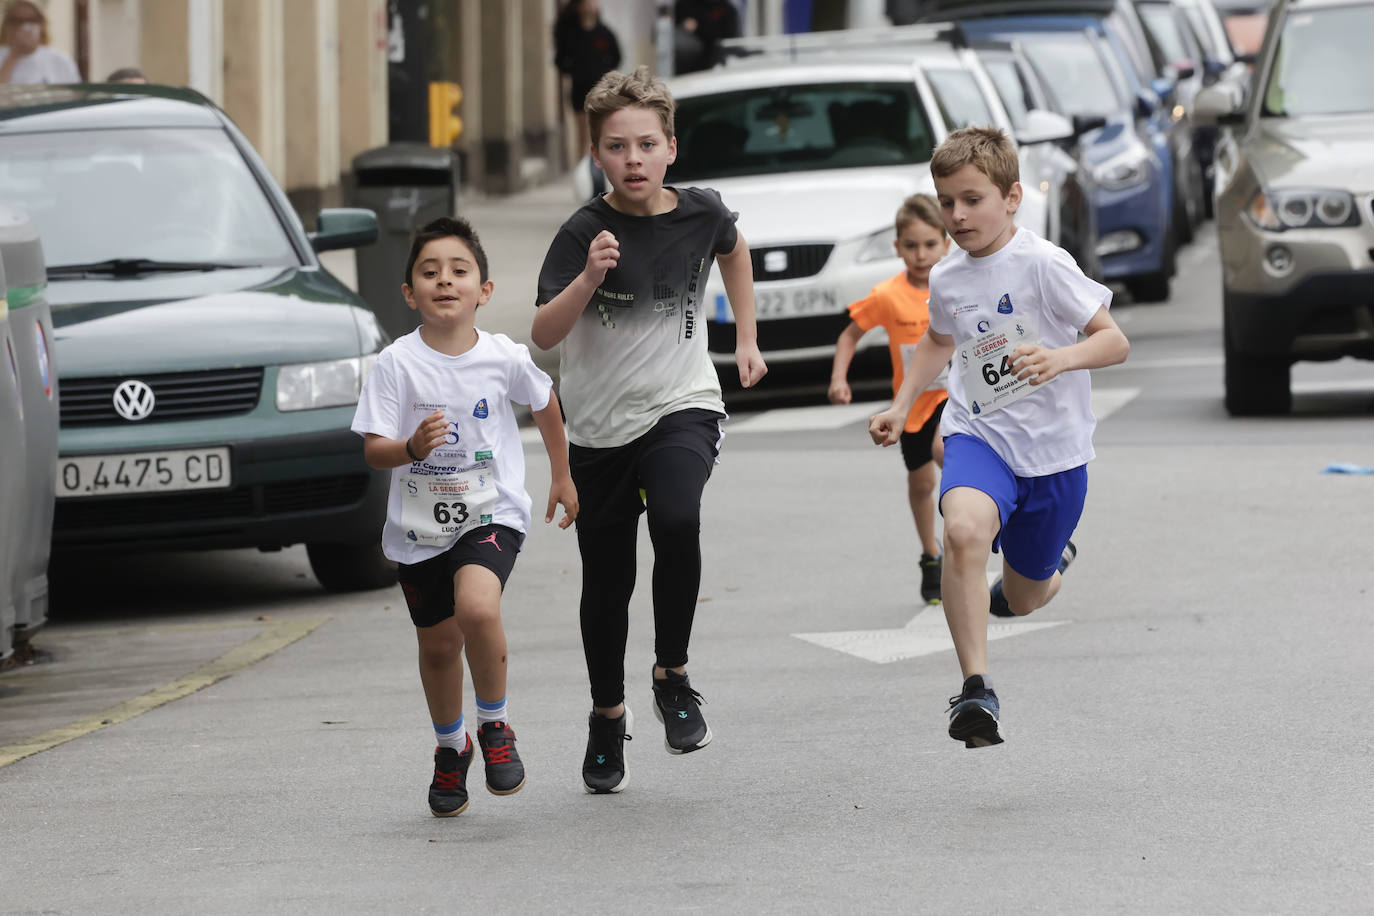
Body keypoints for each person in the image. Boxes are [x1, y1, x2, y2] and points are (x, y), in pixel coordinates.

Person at [532, 66, 766, 794]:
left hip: (682, 402)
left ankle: (673, 673)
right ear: (596, 156)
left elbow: (733, 249)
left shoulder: (702, 212)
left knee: (676, 513)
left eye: (644, 144)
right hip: (599, 431)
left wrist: (746, 337)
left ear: (671, 147)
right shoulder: (581, 233)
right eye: (615, 147)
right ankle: (608, 716)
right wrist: (587, 280)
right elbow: (542, 335)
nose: (632, 159)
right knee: (607, 580)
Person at [868, 127, 1129, 748]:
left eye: (972, 199)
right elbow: (937, 339)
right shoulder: (949, 277)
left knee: (1027, 594)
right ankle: (976, 691)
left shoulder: (1043, 263)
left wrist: (1060, 359)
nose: (957, 215)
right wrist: (903, 403)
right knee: (961, 531)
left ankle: (1047, 563)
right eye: (946, 202)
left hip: (1054, 456)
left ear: (1012, 197)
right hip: (978, 436)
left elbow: (1114, 340)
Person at [352, 216, 579, 817]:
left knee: (477, 608)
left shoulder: (502, 356)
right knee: (438, 647)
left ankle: (495, 727)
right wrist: (411, 450)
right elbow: (374, 448)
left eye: (459, 271)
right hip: (420, 525)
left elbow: (544, 401)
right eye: (429, 272)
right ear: (409, 293)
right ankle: (451, 748)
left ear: (484, 289)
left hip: (490, 510)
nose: (444, 281)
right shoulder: (395, 365)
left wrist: (561, 474)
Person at [829, 193, 950, 606]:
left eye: (930, 245)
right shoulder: (887, 295)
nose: (921, 255)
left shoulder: (955, 285)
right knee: (921, 483)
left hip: (954, 397)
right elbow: (849, 335)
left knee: (945, 450)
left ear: (946, 243)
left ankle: (973, 524)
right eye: (912, 246)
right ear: (897, 248)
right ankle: (931, 555)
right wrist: (838, 379)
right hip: (910, 406)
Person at [553, 0, 621, 158]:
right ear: (579, 7)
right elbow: (560, 60)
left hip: (601, 89)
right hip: (580, 88)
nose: (591, 5)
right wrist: (574, 70)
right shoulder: (571, 34)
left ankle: (601, 160)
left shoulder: (604, 32)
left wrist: (605, 71)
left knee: (601, 127)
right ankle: (583, 161)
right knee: (582, 130)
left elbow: (616, 56)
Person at [0, 0, 79, 85]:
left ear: (41, 24)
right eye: (18, 21)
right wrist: (14, 55)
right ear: (7, 25)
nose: (25, 27)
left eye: (31, 20)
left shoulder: (61, 61)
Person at [674, 0, 741, 73]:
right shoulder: (684, 4)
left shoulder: (726, 9)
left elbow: (729, 40)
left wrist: (698, 28)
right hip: (686, 67)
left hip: (715, 61)